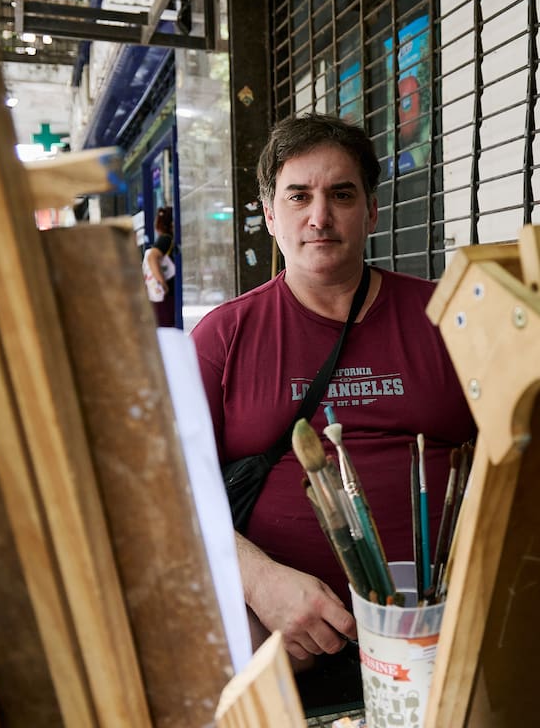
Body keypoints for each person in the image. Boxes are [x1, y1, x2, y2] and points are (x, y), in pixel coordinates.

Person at [190, 114, 475, 696]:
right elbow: (170, 492)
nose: (319, 217)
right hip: (284, 642)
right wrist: (259, 582)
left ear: (371, 212)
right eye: (299, 197)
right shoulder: (224, 336)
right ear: (271, 215)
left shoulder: (451, 316)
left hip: (453, 628)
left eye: (341, 195)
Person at [143, 206, 177, 328]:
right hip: (165, 297)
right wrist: (162, 283)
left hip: (163, 297)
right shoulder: (167, 239)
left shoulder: (166, 239)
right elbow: (152, 257)